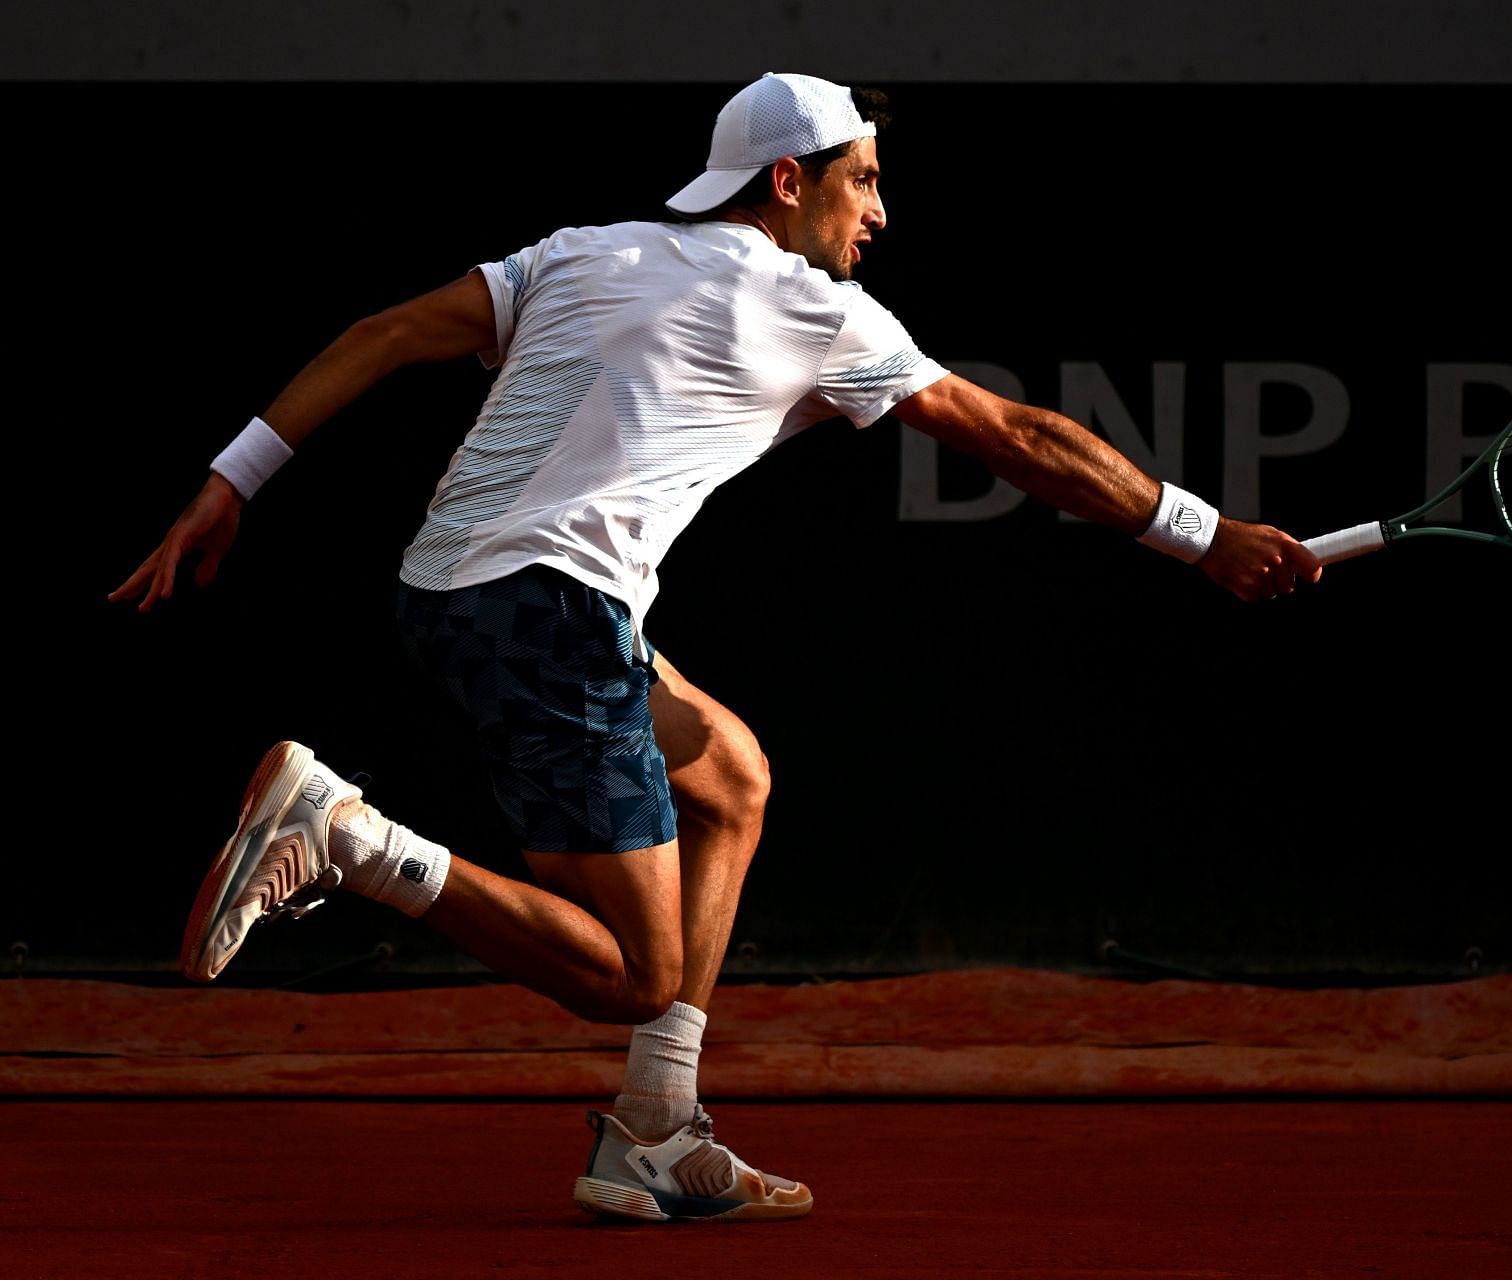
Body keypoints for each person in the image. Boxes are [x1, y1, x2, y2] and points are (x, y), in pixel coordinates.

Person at [110, 72, 1321, 1224]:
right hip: (553, 614)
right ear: (789, 181)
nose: (880, 212)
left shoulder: (583, 249)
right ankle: (351, 838)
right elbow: (1012, 432)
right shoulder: (815, 308)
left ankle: (656, 1126)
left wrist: (231, 482)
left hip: (452, 586)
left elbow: (382, 335)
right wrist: (1202, 534)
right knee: (635, 972)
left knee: (730, 774)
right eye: (865, 181)